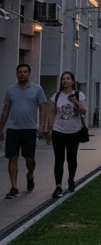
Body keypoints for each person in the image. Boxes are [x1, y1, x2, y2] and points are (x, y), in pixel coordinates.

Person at [0, 64, 48, 199]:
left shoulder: (37, 89)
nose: (22, 74)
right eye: (20, 72)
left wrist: (43, 126)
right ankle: (14, 187)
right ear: (17, 74)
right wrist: (1, 128)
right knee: (12, 157)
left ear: (29, 73)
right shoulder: (10, 90)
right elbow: (5, 110)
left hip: (30, 129)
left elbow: (43, 108)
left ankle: (30, 175)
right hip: (13, 129)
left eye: (24, 72)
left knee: (29, 158)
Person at [47, 71, 87, 198]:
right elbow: (52, 113)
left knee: (71, 158)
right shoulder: (57, 96)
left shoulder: (78, 94)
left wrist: (75, 103)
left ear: (73, 81)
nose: (65, 81)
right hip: (58, 131)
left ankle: (71, 180)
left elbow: (84, 111)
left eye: (68, 79)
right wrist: (49, 129)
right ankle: (58, 185)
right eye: (63, 79)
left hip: (74, 132)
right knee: (59, 159)